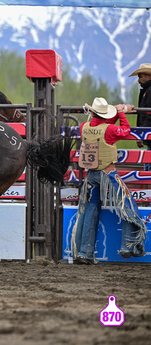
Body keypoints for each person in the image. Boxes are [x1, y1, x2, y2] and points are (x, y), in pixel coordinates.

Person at [72, 97, 147, 265]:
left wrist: (116, 113)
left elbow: (101, 125)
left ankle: (84, 252)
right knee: (128, 206)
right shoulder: (110, 130)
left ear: (91, 112)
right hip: (108, 173)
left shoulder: (84, 127)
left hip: (91, 176)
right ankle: (129, 246)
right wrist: (122, 113)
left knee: (89, 210)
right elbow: (125, 130)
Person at [132, 63, 151, 171]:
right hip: (148, 134)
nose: (139, 80)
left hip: (148, 134)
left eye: (140, 76)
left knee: (148, 165)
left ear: (149, 76)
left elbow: (148, 116)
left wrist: (142, 135)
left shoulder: (149, 90)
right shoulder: (147, 90)